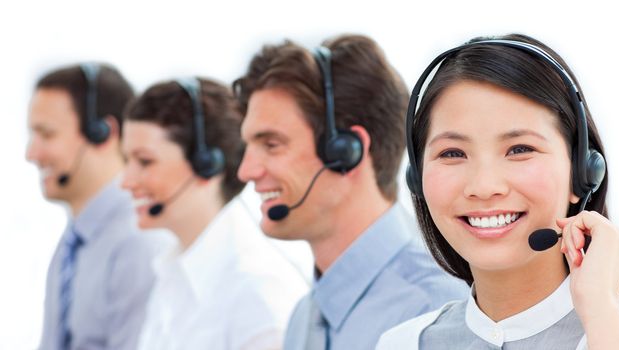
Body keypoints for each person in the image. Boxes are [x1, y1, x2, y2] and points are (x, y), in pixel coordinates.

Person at [377, 34, 619, 349]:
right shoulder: (401, 343)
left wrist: (601, 316)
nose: (484, 187)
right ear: (416, 178)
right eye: (452, 153)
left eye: (520, 149)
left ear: (582, 173)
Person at [233, 34, 467, 350]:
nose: (246, 171)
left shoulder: (437, 314)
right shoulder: (303, 318)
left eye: (271, 145)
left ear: (347, 152)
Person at [121, 77, 309, 350]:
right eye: (127, 161)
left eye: (145, 161)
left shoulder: (257, 293)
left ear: (206, 165)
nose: (126, 181)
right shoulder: (172, 273)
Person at [27, 63, 166, 350]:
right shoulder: (73, 243)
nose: (31, 154)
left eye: (47, 134)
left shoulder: (138, 241)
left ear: (102, 132)